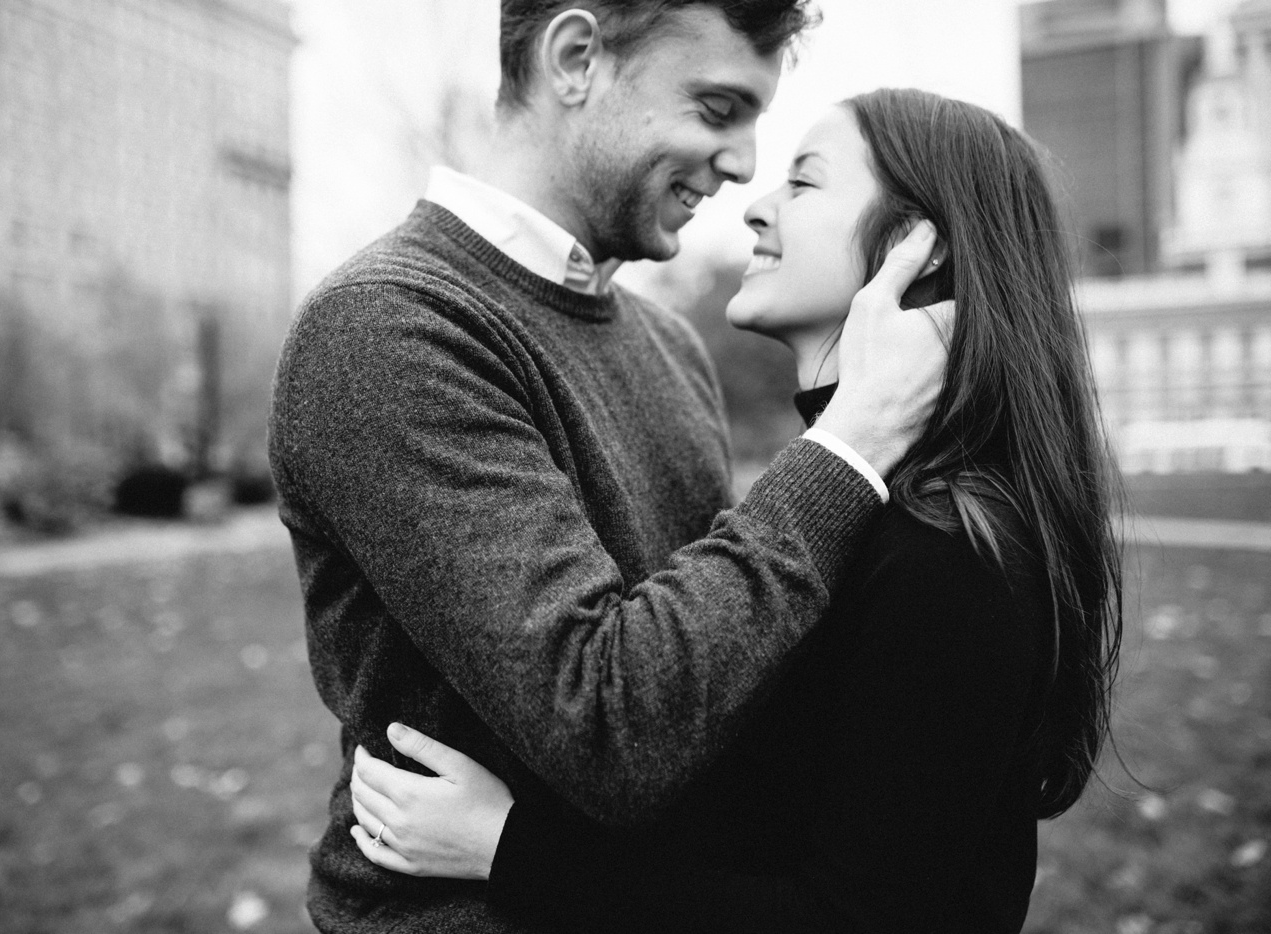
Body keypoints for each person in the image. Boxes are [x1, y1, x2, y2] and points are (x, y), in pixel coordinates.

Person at [344, 89, 1125, 934]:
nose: (755, 206)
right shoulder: (861, 507)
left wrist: (508, 846)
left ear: (912, 246)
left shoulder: (950, 550)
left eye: (804, 183)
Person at [269, 2, 954, 930]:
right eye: (717, 109)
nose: (745, 163)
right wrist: (851, 444)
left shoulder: (667, 345)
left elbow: (719, 693)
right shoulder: (389, 329)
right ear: (577, 58)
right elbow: (612, 727)